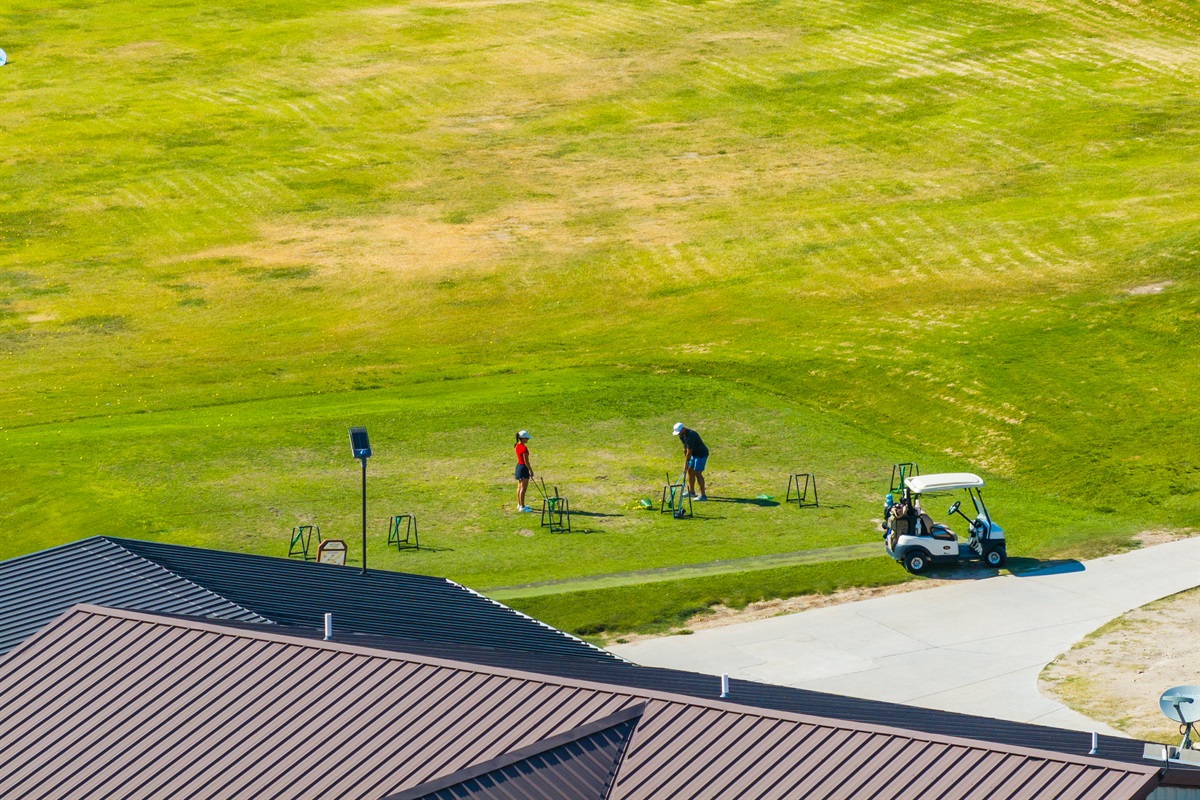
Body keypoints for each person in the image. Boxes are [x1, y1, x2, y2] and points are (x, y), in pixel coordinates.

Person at [672, 422, 708, 501]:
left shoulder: (691, 436)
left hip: (701, 454)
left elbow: (689, 452)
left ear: (683, 429)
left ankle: (703, 495)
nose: (679, 434)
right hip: (693, 455)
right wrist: (687, 463)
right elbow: (685, 448)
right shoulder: (681, 435)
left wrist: (686, 463)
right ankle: (691, 491)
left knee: (697, 473)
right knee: (690, 471)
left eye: (679, 432)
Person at [514, 430, 534, 512]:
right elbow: (526, 461)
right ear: (522, 438)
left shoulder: (517, 445)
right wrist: (531, 471)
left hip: (518, 467)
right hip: (523, 468)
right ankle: (522, 507)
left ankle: (520, 504)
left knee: (519, 487)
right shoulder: (524, 448)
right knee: (523, 488)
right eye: (526, 438)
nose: (527, 440)